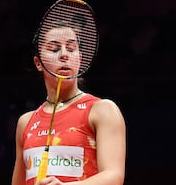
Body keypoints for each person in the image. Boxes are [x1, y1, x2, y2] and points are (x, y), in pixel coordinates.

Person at [12, 14, 126, 185]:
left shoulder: (101, 110)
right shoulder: (26, 122)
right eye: (54, 49)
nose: (64, 55)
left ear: (79, 59)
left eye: (71, 49)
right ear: (38, 63)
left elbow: (114, 177)